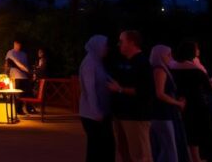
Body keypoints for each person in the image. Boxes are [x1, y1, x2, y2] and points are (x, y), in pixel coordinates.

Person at [108, 30, 154, 162]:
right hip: (121, 115)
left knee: (140, 155)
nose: (119, 44)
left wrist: (120, 89)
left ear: (132, 43)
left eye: (122, 41)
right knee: (125, 153)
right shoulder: (123, 61)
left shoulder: (142, 63)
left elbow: (145, 91)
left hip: (136, 116)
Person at [172, 41, 212, 162]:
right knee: (204, 135)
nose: (198, 51)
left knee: (188, 135)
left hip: (180, 104)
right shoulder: (196, 70)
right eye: (197, 49)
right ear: (191, 52)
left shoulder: (172, 68)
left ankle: (193, 158)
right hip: (198, 105)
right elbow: (209, 89)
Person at [149, 45, 189, 162]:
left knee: (167, 147)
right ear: (161, 55)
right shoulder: (159, 69)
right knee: (168, 148)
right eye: (168, 54)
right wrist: (178, 103)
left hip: (165, 113)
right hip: (162, 114)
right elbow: (160, 94)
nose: (170, 57)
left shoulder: (161, 68)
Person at [79, 35, 114, 162]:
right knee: (98, 148)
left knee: (101, 147)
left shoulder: (97, 61)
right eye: (105, 46)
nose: (107, 49)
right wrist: (96, 112)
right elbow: (90, 90)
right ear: (97, 46)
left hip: (99, 113)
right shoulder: (89, 63)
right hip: (92, 115)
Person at [5, 40, 32, 111]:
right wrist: (6, 74)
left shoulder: (23, 54)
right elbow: (14, 63)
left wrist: (28, 72)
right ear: (14, 44)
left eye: (19, 44)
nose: (18, 46)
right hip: (16, 76)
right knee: (18, 94)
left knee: (26, 93)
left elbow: (26, 65)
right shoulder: (10, 52)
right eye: (16, 44)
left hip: (24, 77)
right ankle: (18, 109)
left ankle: (29, 108)